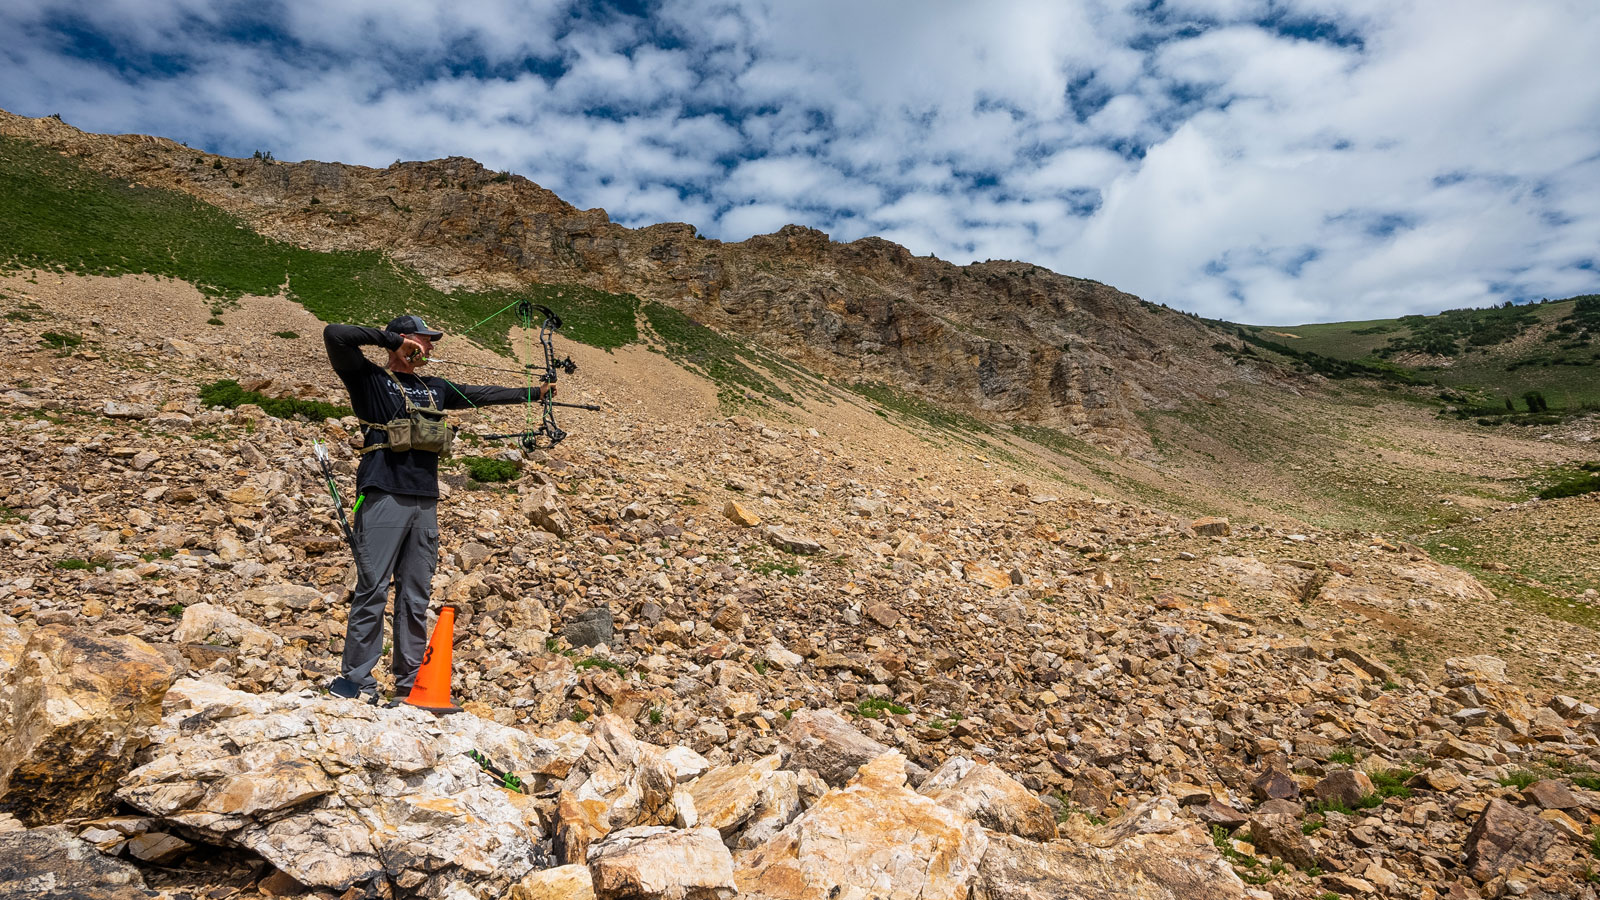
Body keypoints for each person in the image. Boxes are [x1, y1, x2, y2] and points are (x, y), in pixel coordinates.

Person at [323, 314, 550, 702]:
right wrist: (389, 339)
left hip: (425, 501)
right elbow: (335, 335)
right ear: (406, 341)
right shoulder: (370, 378)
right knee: (373, 589)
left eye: (430, 342)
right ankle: (357, 681)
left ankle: (410, 683)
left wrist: (534, 392)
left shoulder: (435, 388)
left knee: (415, 595)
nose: (430, 347)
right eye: (425, 340)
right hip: (382, 494)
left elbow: (481, 394)